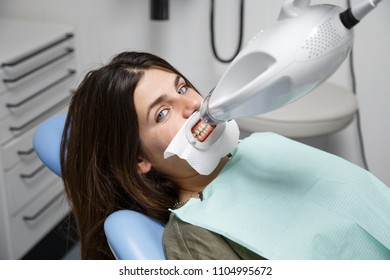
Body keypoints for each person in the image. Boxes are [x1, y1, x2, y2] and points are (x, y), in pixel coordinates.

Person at [61, 51, 390, 260]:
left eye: (182, 88)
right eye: (162, 114)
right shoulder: (194, 237)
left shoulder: (265, 146)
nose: (191, 105)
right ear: (138, 160)